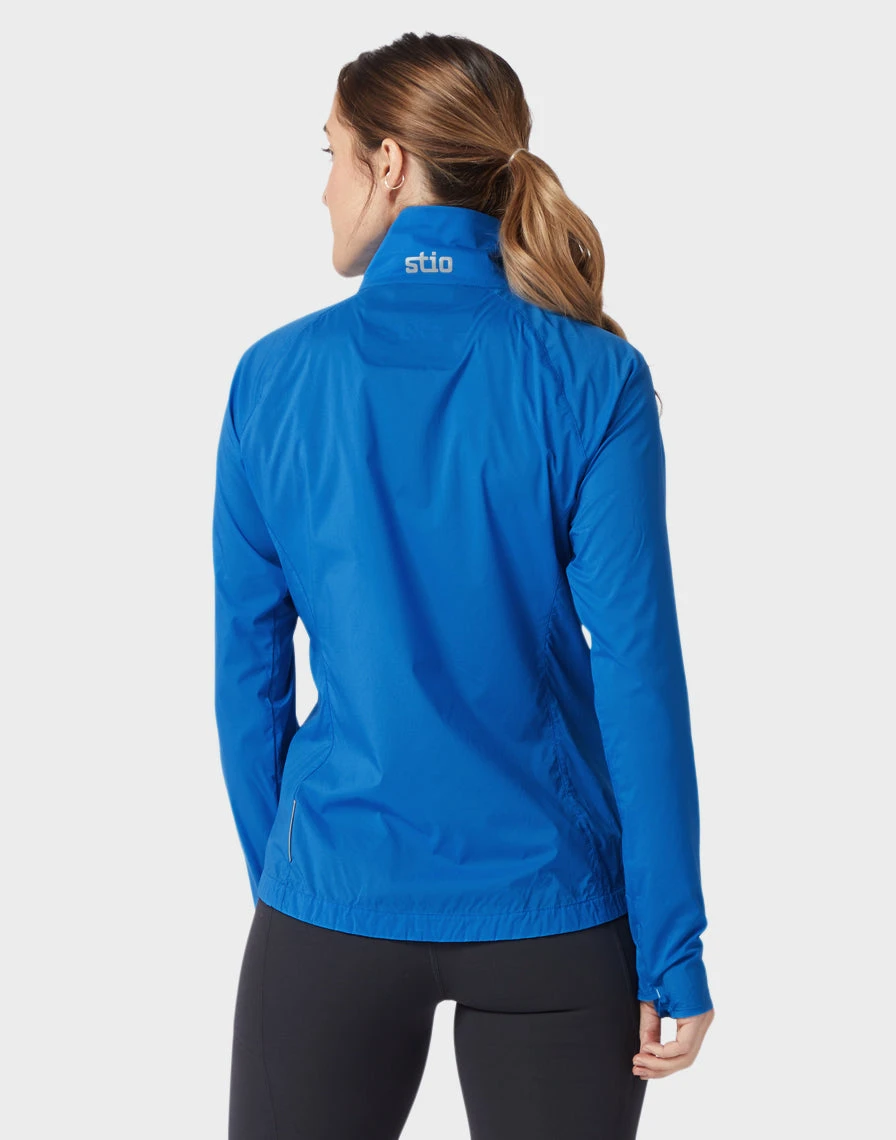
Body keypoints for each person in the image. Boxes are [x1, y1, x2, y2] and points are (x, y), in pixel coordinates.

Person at [212, 31, 715, 1140]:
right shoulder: (594, 376)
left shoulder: (272, 380)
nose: (324, 186)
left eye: (333, 153)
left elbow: (248, 675)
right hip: (556, 913)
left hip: (334, 903)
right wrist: (671, 941)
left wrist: (294, 884)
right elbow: (638, 676)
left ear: (389, 165)